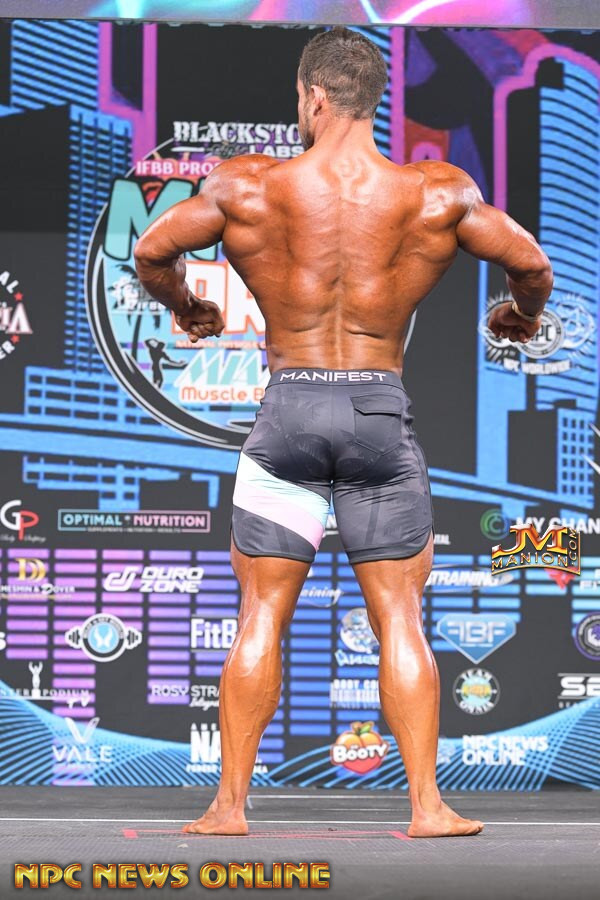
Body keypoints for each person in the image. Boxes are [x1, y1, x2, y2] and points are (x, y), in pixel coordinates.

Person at [134, 27, 553, 838]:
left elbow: (153, 250)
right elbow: (532, 265)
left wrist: (187, 307)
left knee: (261, 612)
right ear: (373, 99)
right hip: (377, 414)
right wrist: (520, 316)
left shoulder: (248, 186)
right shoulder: (435, 192)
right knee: (398, 614)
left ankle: (227, 808)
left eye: (301, 99)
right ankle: (428, 808)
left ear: (314, 96)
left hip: (288, 411)